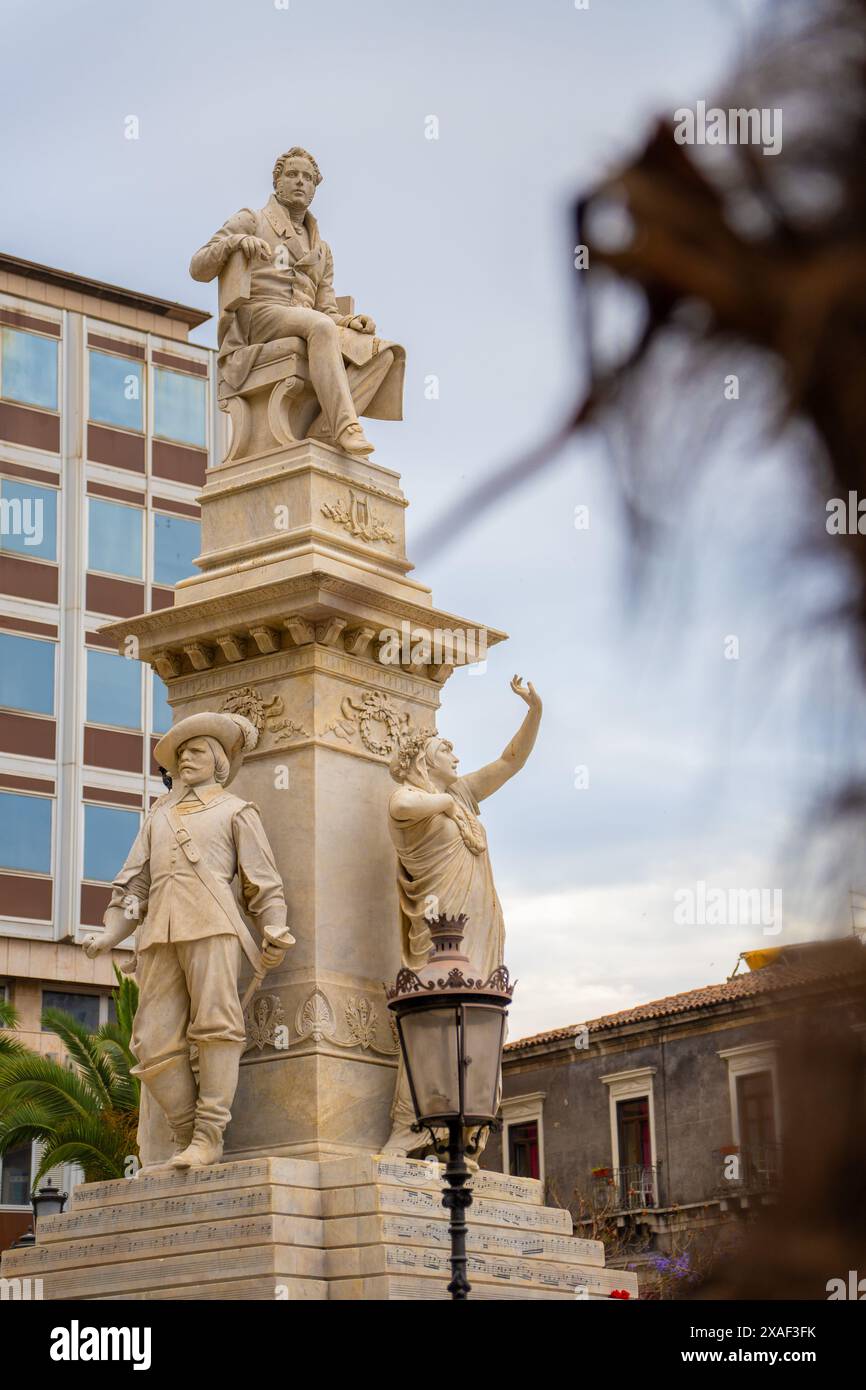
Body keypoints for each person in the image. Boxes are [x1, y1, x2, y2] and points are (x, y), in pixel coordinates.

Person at [83, 711, 294, 1169]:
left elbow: (264, 884)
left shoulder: (236, 812)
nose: (185, 760)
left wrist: (274, 926)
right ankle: (184, 1134)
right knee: (150, 1040)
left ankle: (208, 1136)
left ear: (218, 759)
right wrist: (110, 934)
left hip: (213, 925)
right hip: (158, 933)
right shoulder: (159, 816)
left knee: (218, 1027)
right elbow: (133, 886)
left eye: (195, 752)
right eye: (180, 755)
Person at [383, 676, 542, 1155]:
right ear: (423, 760)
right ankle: (410, 1126)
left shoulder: (465, 797)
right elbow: (408, 802)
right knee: (433, 1018)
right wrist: (450, 801)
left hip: (480, 927)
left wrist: (534, 710)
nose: (456, 756)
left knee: (479, 1017)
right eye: (446, 750)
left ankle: (467, 1138)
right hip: (439, 933)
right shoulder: (408, 801)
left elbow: (511, 762)